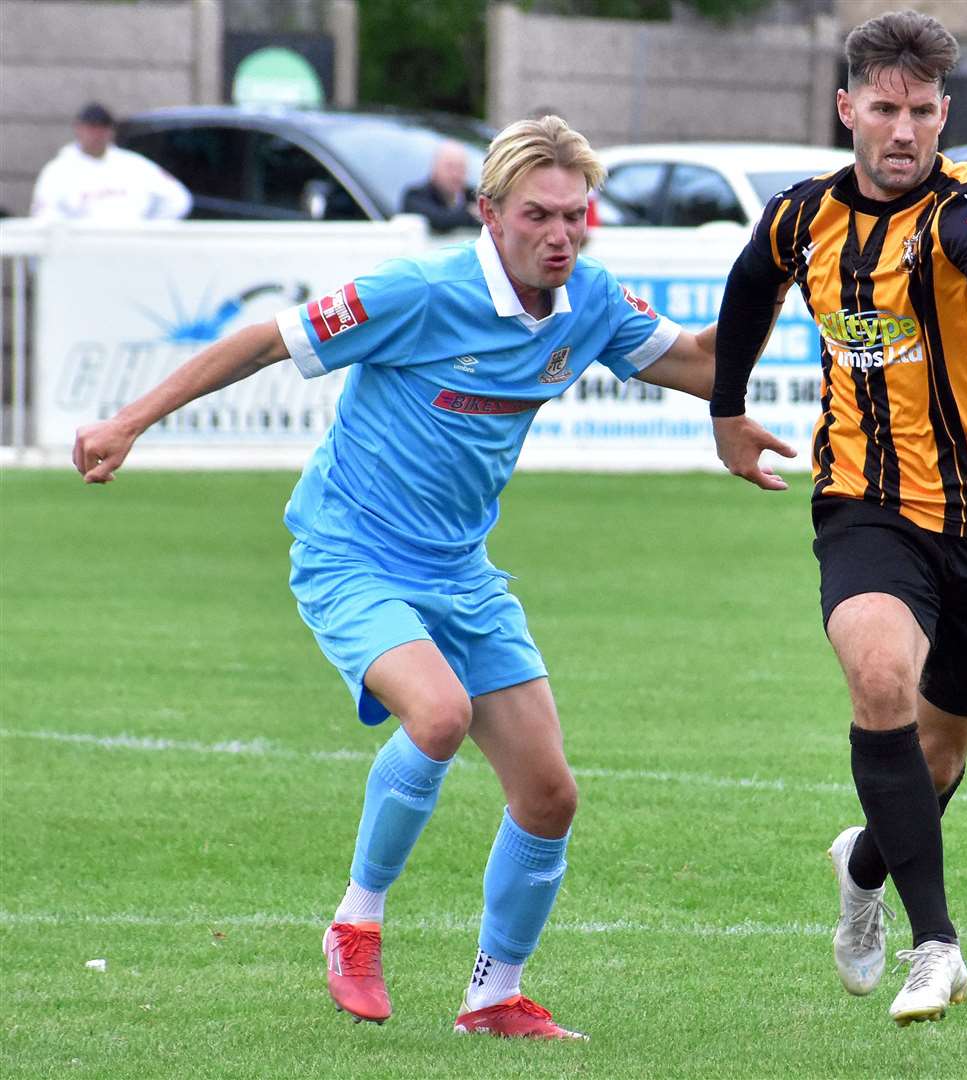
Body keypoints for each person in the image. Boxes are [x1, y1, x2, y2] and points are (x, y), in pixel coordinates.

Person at [72, 115, 716, 1040]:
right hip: (351, 553)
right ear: (489, 213)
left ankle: (493, 997)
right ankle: (356, 920)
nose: (561, 236)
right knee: (440, 714)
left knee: (549, 795)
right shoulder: (418, 291)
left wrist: (780, 285)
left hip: (461, 569)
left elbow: (699, 365)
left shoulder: (591, 302)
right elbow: (265, 340)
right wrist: (130, 421)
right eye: (539, 215)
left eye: (577, 217)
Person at [709, 10, 967, 1027]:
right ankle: (934, 945)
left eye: (919, 111)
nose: (901, 129)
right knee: (877, 679)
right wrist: (727, 410)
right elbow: (747, 289)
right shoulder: (799, 218)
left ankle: (862, 861)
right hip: (864, 504)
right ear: (846, 110)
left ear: (942, 115)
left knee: (938, 757)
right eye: (882, 109)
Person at [30, 102, 192, 221]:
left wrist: (149, 230)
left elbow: (177, 200)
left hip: (131, 253)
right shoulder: (59, 171)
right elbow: (45, 217)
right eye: (91, 128)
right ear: (78, 128)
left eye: (103, 128)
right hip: (82, 255)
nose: (97, 134)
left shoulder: (134, 165)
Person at [401, 140, 480, 232]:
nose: (456, 174)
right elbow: (439, 220)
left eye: (461, 168)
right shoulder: (415, 197)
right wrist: (470, 214)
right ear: (434, 168)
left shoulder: (475, 196)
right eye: (450, 167)